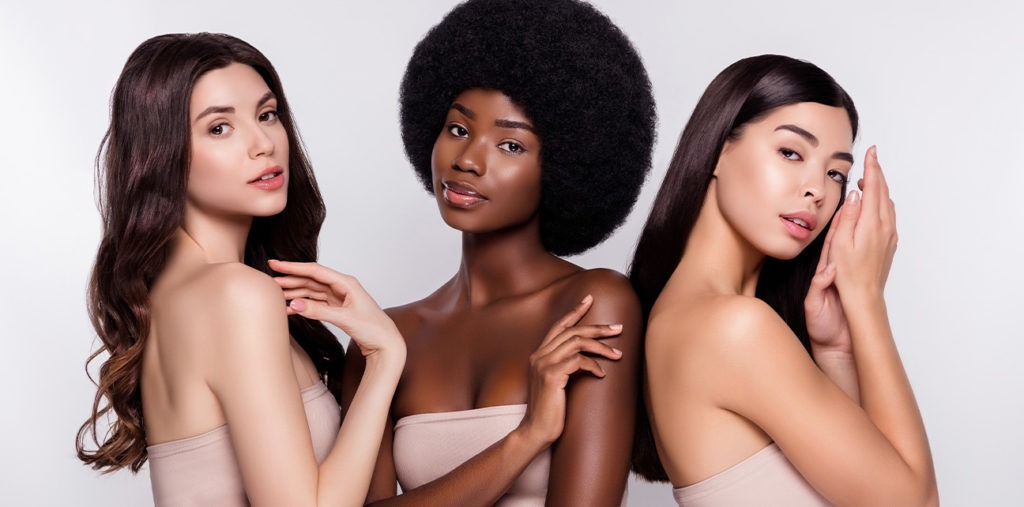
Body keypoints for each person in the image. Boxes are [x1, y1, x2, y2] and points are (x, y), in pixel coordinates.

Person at [338, 0, 656, 505]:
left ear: (565, 165)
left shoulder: (593, 305)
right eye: (459, 129)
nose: (467, 160)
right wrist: (527, 436)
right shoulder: (384, 341)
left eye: (510, 145)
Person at [76, 32, 407, 506]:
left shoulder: (173, 294)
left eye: (267, 115)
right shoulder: (236, 295)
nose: (263, 144)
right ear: (162, 155)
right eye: (219, 128)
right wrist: (385, 357)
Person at [629, 55, 938, 505]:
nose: (818, 189)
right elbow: (915, 502)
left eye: (836, 173)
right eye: (791, 152)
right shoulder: (732, 327)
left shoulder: (689, 316)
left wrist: (836, 351)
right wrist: (867, 298)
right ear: (717, 149)